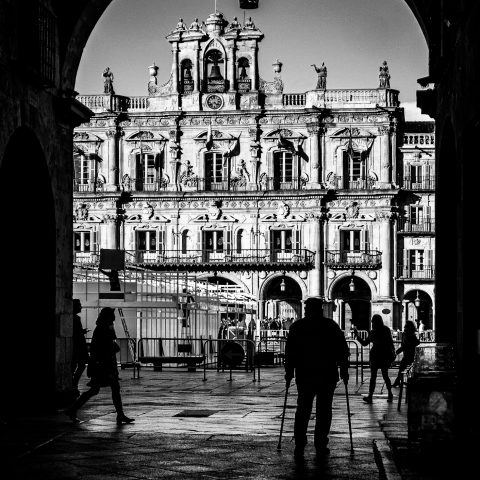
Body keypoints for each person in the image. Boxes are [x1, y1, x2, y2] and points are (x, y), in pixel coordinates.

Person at [284, 297, 350, 459]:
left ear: (307, 310)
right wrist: (344, 370)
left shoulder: (298, 327)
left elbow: (290, 352)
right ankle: (321, 442)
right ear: (321, 309)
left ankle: (300, 442)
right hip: (327, 374)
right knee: (324, 410)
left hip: (305, 373)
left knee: (303, 409)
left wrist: (289, 372)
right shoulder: (331, 326)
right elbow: (342, 351)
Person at [64, 307, 134, 425]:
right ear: (108, 317)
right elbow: (105, 347)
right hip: (104, 365)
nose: (114, 318)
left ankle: (73, 410)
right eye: (112, 316)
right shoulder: (103, 328)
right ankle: (119, 414)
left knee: (99, 389)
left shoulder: (102, 327)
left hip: (103, 364)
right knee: (106, 389)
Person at [353, 314, 395, 403]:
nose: (372, 323)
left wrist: (357, 336)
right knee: (385, 375)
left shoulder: (374, 332)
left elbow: (365, 343)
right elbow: (390, 343)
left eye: (373, 321)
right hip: (383, 355)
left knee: (374, 377)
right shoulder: (385, 330)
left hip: (377, 355)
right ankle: (389, 394)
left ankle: (371, 396)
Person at [392, 321, 420, 387]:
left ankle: (399, 382)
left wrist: (396, 352)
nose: (404, 327)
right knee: (403, 368)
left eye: (406, 326)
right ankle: (399, 381)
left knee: (403, 367)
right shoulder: (406, 335)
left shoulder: (410, 335)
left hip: (410, 355)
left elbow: (405, 346)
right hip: (408, 354)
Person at [71, 299, 89, 396]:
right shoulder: (76, 318)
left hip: (75, 346)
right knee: (81, 365)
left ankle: (72, 384)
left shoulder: (72, 318)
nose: (81, 307)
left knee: (74, 366)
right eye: (79, 305)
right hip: (79, 346)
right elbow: (77, 333)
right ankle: (74, 384)